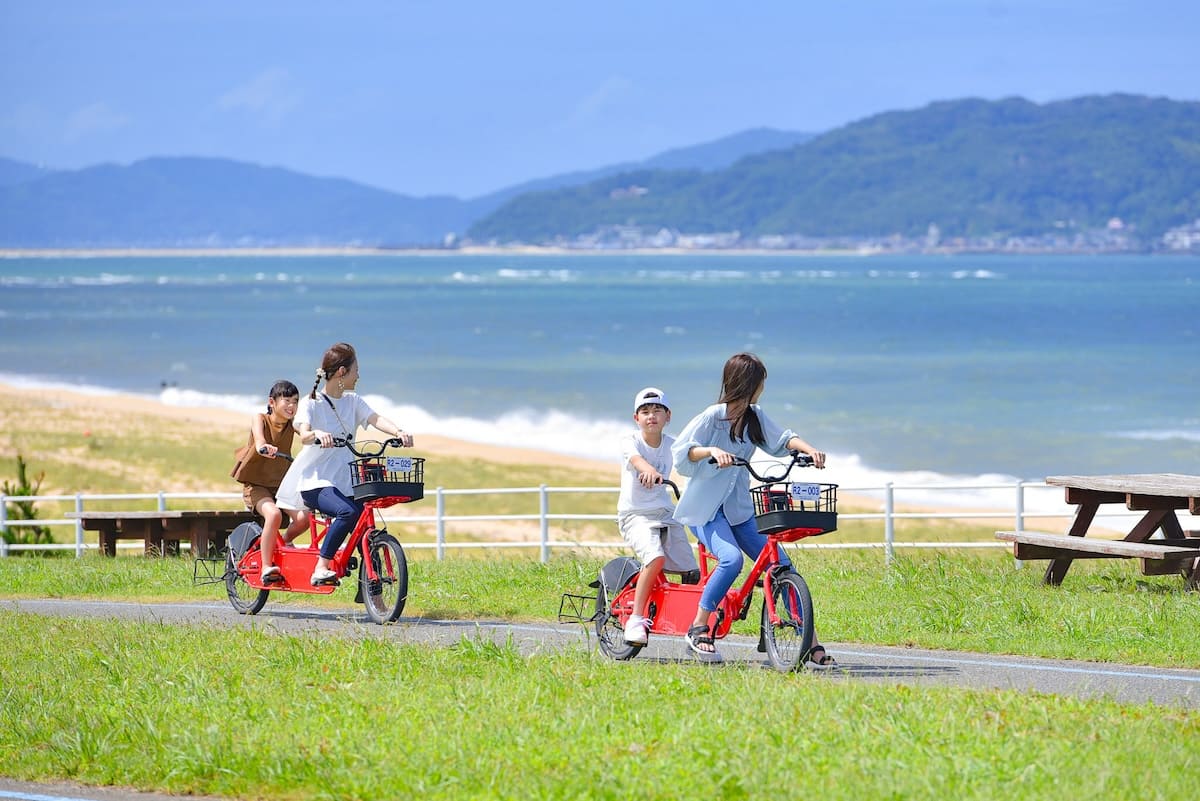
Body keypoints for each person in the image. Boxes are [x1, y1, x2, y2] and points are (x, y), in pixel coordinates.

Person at [671, 352, 837, 667]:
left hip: (739, 512)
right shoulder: (712, 417)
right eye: (759, 382)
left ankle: (810, 641)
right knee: (731, 560)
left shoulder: (755, 416)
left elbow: (783, 439)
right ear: (748, 384)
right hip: (705, 512)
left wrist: (810, 450)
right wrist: (711, 451)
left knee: (783, 567)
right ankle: (698, 627)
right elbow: (681, 452)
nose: (761, 389)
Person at [275, 343, 412, 586]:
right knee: (347, 512)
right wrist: (317, 433)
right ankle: (321, 567)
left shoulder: (353, 401)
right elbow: (302, 432)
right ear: (341, 372)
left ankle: (372, 587)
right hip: (316, 482)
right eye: (355, 370)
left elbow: (376, 418)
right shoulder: (311, 403)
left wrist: (399, 431)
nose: (358, 375)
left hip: (346, 482)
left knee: (364, 527)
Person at [616, 387, 700, 645]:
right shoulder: (630, 442)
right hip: (635, 515)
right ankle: (636, 619)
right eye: (645, 412)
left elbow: (691, 456)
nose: (651, 416)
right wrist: (649, 469)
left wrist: (712, 456)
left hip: (665, 512)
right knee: (655, 558)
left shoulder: (673, 444)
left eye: (657, 411)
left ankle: (691, 623)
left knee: (692, 570)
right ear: (636, 418)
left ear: (668, 416)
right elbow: (637, 460)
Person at [230, 380, 309, 582]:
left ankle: (286, 543)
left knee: (304, 518)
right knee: (273, 514)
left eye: (296, 401)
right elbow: (259, 441)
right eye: (287, 400)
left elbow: (306, 434)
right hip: (256, 487)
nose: (292, 406)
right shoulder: (261, 419)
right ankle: (266, 567)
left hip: (282, 486)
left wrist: (319, 437)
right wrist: (264, 446)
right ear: (272, 402)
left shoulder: (292, 425)